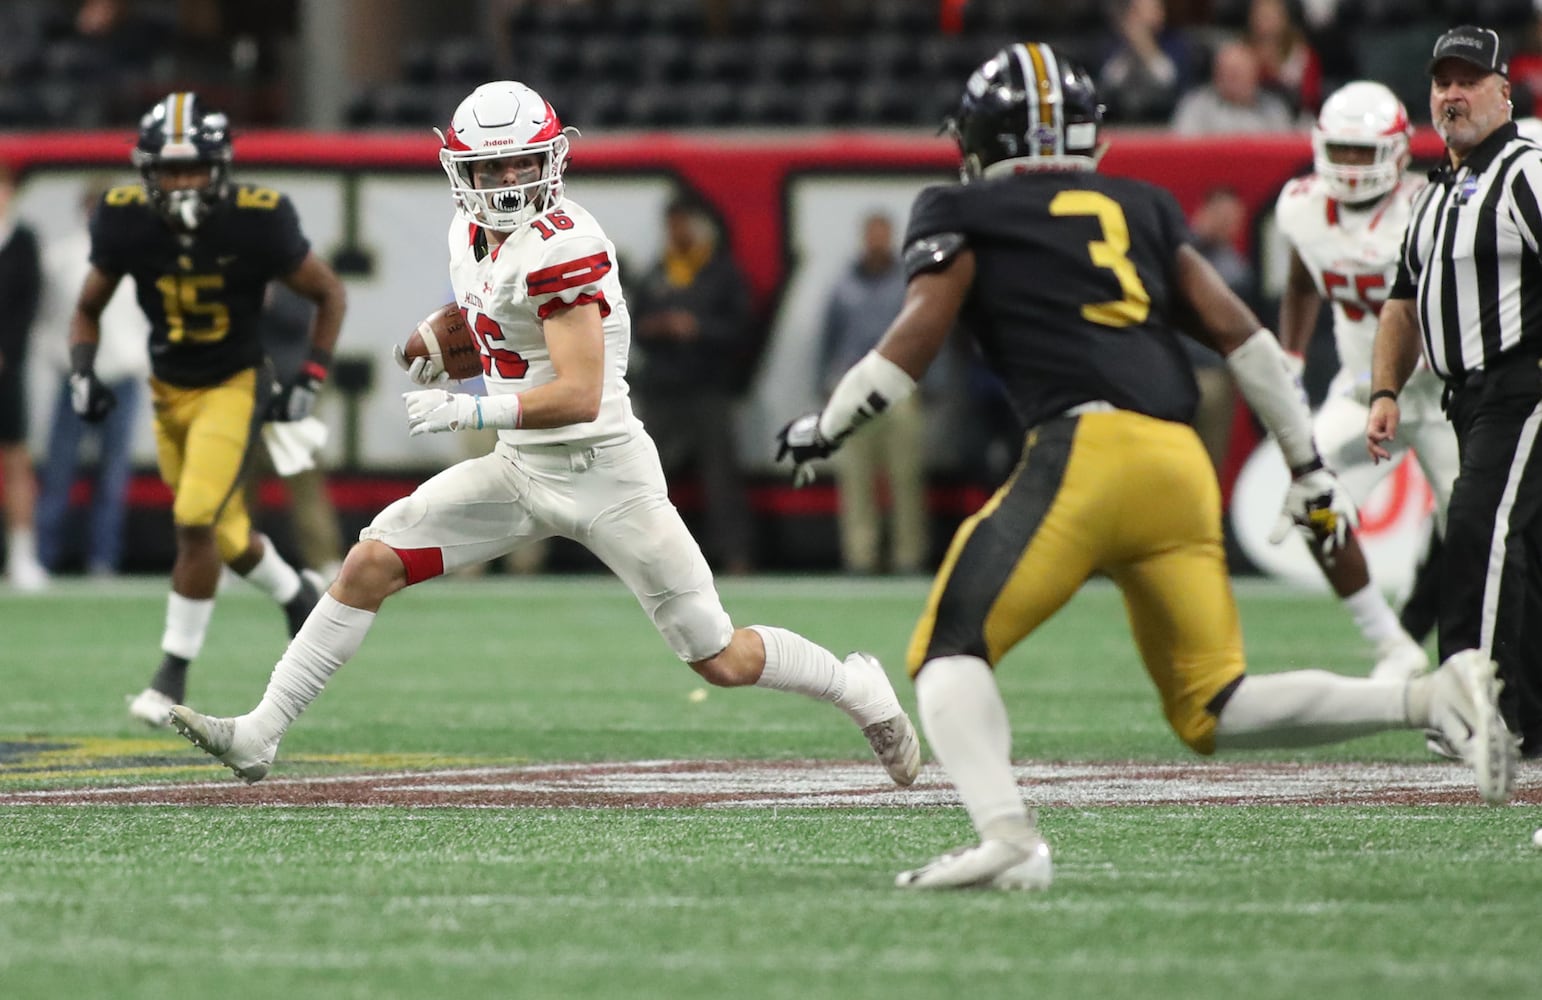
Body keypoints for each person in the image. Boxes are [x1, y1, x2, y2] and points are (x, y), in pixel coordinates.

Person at [777, 43, 1514, 892]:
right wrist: (1308, 469)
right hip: (1176, 463)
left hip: (1085, 453)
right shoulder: (1141, 205)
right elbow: (1252, 344)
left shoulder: (962, 208)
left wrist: (823, 427)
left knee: (949, 649)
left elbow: (911, 342)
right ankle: (1426, 699)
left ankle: (1009, 837)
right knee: (1213, 706)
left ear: (986, 136)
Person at [165, 80, 919, 790]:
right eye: (491, 166)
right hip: (521, 471)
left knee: (716, 655)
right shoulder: (470, 232)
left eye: (522, 161)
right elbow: (493, 316)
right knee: (370, 561)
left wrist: (473, 411)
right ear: (463, 171)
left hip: (606, 477)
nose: (508, 180)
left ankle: (856, 686)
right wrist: (439, 337)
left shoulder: (564, 244)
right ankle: (261, 732)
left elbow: (581, 393)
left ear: (552, 159)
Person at [68, 92, 345, 726]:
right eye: (169, 171)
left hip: (233, 383)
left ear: (219, 169)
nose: (182, 182)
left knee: (194, 518)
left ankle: (170, 676)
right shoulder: (121, 217)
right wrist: (82, 373)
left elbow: (328, 292)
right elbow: (87, 306)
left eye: (192, 168)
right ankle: (300, 597)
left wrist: (311, 373)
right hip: (168, 389)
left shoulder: (259, 216)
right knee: (221, 532)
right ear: (147, 173)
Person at [1368, 26, 1542, 760]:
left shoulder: (1526, 171)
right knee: (1518, 546)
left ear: (1506, 89)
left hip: (1523, 384)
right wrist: (1384, 389)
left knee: (1481, 532)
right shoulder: (1437, 192)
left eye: (1469, 79)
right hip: (1466, 398)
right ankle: (1525, 712)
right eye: (1442, 82)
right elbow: (1404, 301)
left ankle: (1480, 707)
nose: (1452, 94)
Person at [1275, 80, 1453, 682]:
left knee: (1480, 540)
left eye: (1363, 151)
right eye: (1342, 150)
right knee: (1309, 503)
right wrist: (1292, 356)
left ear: (1398, 152)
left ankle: (1467, 657)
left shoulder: (1430, 207)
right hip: (1360, 395)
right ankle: (1391, 642)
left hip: (1442, 400)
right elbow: (1302, 279)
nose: (1350, 167)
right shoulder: (1300, 206)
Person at [628, 194, 756, 575]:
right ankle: (639, 556)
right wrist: (658, 328)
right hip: (664, 388)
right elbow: (636, 325)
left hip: (707, 387)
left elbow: (742, 328)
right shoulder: (656, 272)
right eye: (672, 224)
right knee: (647, 478)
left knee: (720, 478)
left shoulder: (720, 272)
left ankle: (736, 554)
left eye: (684, 223)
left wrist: (699, 329)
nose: (677, 231)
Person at [35, 177, 148, 578]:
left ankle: (104, 558)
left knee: (112, 475)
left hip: (121, 377)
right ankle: (43, 557)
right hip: (76, 376)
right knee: (59, 471)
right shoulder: (63, 258)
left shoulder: (139, 257)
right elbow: (49, 316)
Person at [819, 210, 928, 575]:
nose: (877, 241)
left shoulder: (907, 284)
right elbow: (829, 338)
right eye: (872, 234)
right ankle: (860, 556)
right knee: (855, 478)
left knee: (905, 476)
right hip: (852, 387)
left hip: (898, 387)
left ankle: (908, 556)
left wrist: (930, 382)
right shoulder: (844, 286)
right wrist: (825, 383)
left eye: (883, 233)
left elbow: (925, 332)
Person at [0, 162, 46, 591]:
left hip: (7, 369)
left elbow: (27, 305)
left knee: (16, 461)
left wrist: (6, 352)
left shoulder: (25, 240)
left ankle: (22, 555)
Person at [1184, 186, 1252, 471]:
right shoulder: (1175, 253)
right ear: (1204, 212)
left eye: (1233, 219)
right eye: (1221, 216)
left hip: (1214, 372)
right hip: (1176, 368)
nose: (1227, 225)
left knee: (1209, 459)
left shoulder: (1235, 269)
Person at [1171, 41, 1296, 135]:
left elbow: (1283, 153)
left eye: (1238, 73)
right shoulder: (1195, 107)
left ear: (1254, 75)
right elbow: (1184, 151)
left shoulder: (1274, 110)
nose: (1231, 79)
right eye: (1225, 72)